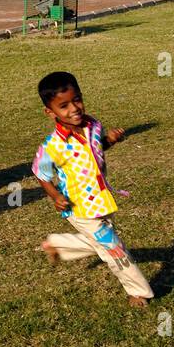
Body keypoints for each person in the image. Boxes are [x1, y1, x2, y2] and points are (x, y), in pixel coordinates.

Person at [31, 71, 153, 307]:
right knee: (114, 248)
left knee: (103, 242)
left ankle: (57, 244)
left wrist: (109, 140)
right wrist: (55, 196)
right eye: (63, 106)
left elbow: (95, 150)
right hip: (79, 207)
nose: (74, 108)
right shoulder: (52, 146)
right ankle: (139, 291)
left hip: (102, 199)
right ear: (50, 112)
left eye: (77, 99)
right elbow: (41, 174)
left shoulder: (93, 125)